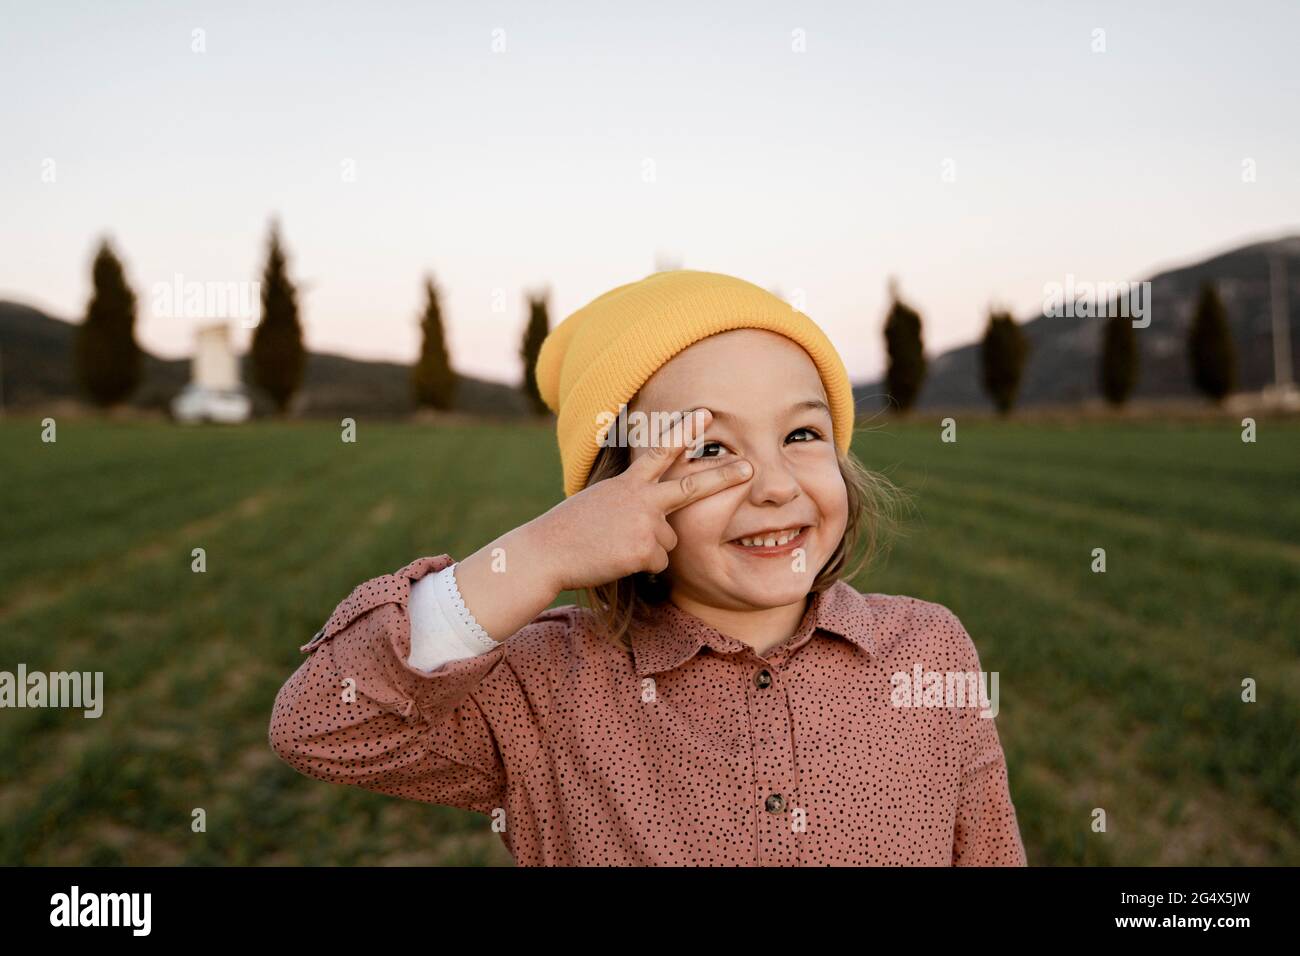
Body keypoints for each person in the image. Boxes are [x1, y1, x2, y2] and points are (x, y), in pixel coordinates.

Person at [268, 269, 1028, 866]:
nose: (773, 485)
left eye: (802, 433)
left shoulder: (929, 651)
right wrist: (542, 552)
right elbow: (322, 724)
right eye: (708, 450)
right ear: (614, 500)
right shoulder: (543, 690)